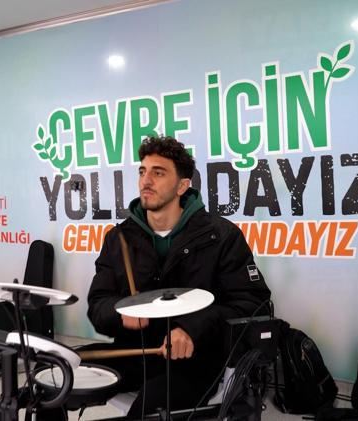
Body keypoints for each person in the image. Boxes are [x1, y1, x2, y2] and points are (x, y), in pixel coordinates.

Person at [86, 135, 271, 416]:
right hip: (135, 353)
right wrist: (119, 314)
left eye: (158, 173)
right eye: (143, 171)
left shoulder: (221, 236)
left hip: (197, 361)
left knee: (149, 407)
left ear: (182, 186)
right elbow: (98, 302)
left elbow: (253, 304)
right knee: (55, 373)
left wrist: (191, 329)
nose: (146, 180)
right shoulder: (119, 238)